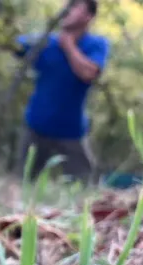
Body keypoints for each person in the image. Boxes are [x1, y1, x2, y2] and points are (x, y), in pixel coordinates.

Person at [13, 0, 109, 184]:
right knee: (24, 182)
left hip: (71, 132)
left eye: (74, 6)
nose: (67, 10)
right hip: (37, 127)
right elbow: (11, 45)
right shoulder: (45, 42)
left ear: (89, 16)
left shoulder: (96, 44)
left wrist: (68, 46)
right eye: (67, 5)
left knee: (87, 186)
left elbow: (89, 73)